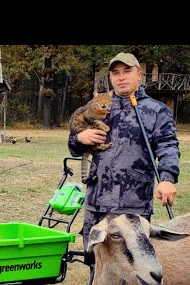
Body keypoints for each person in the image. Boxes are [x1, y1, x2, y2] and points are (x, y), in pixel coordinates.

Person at [68, 51, 180, 270]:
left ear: (139, 76)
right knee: (96, 262)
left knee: (133, 265)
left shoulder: (157, 111)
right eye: (115, 73)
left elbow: (168, 146)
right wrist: (79, 138)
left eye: (127, 71)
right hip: (97, 202)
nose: (121, 77)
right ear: (110, 78)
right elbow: (73, 146)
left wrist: (167, 178)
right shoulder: (98, 106)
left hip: (134, 204)